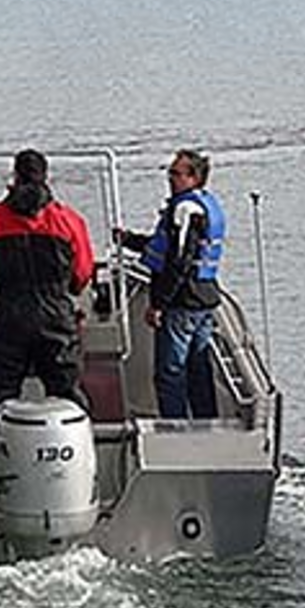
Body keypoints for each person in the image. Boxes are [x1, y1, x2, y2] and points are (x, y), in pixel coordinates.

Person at [0, 148, 95, 424]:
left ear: (14, 176)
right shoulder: (68, 220)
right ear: (46, 176)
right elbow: (82, 274)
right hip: (56, 316)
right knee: (67, 392)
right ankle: (80, 442)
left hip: (9, 314)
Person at [117, 149, 226, 419]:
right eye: (170, 172)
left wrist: (158, 304)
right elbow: (167, 248)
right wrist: (129, 239)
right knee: (199, 369)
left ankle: (175, 427)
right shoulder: (204, 204)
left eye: (176, 173)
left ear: (194, 177)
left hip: (182, 304)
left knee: (170, 372)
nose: (170, 178)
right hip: (204, 297)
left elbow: (179, 262)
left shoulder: (185, 209)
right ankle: (205, 422)